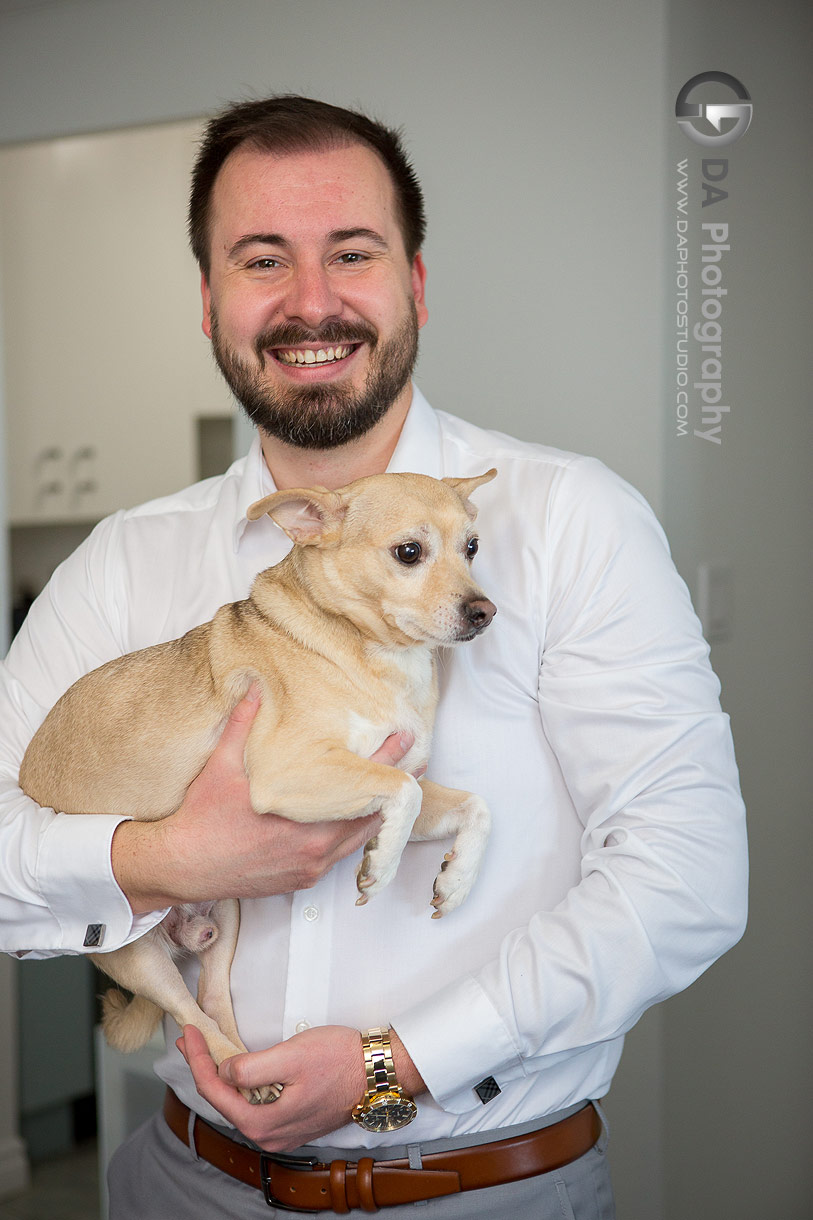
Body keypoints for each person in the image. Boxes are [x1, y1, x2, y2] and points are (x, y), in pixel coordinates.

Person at [0, 96, 747, 1219]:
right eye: (262, 260)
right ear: (209, 300)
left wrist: (394, 1062)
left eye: (352, 252)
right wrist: (164, 855)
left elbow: (689, 877)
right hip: (180, 1186)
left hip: (489, 1193)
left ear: (416, 285)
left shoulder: (574, 521)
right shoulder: (122, 564)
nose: (311, 302)